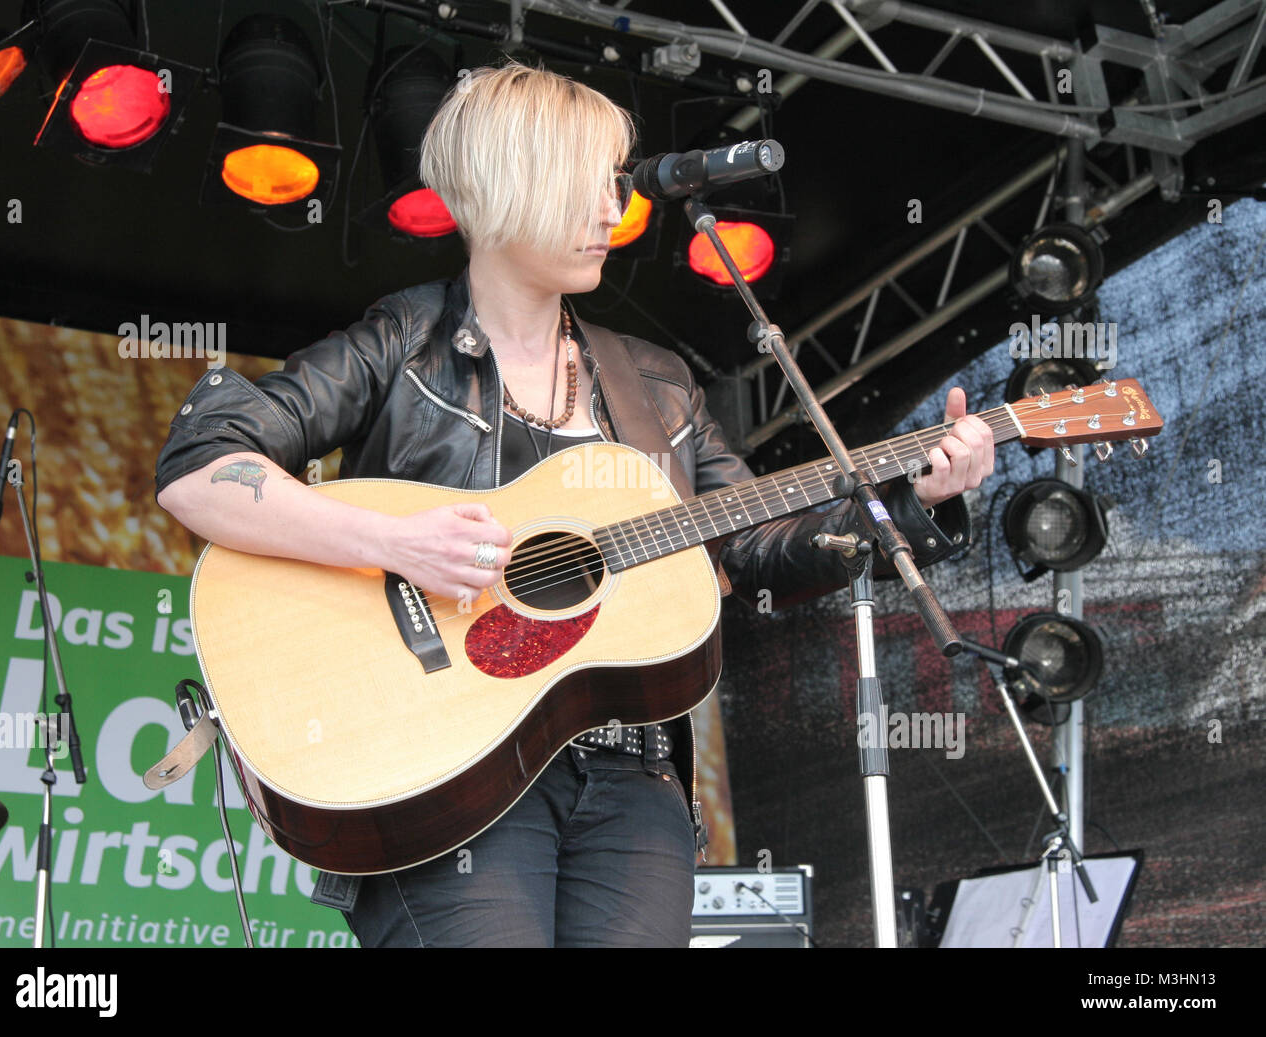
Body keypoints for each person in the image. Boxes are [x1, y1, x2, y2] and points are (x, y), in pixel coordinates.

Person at [155, 62, 995, 947]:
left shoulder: (657, 385)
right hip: (452, 777)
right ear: (516, 183)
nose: (613, 208)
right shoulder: (402, 342)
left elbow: (762, 546)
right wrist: (397, 541)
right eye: (592, 182)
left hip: (632, 787)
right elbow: (199, 467)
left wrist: (912, 500)